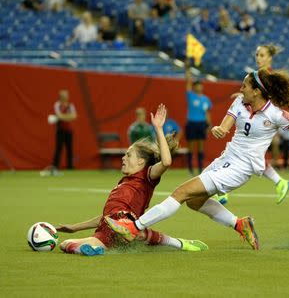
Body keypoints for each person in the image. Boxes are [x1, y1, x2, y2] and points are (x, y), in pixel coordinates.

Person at [105, 68, 289, 251]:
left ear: (257, 91)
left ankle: (134, 227)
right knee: (193, 202)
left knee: (180, 192)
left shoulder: (277, 115)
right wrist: (219, 129)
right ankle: (241, 224)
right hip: (225, 158)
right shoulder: (240, 101)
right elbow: (226, 125)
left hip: (241, 168)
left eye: (245, 86)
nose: (242, 89)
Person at [56, 104, 208, 256]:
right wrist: (74, 227)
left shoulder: (146, 176)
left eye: (128, 155)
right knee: (65, 244)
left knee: (132, 230)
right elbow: (106, 219)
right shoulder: (122, 184)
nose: (123, 157)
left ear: (141, 161)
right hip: (107, 231)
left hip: (128, 226)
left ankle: (180, 243)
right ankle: (96, 249)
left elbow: (166, 162)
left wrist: (159, 129)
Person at [217, 44, 289, 205]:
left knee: (246, 155)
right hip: (259, 119)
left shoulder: (268, 76)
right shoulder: (258, 75)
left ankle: (223, 190)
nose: (259, 58)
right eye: (257, 54)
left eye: (262, 55)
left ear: (270, 58)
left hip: (265, 121)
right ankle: (280, 182)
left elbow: (268, 99)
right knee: (253, 157)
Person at [184, 64, 212, 175]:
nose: (199, 87)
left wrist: (209, 125)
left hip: (202, 124)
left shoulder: (206, 99)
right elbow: (188, 83)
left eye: (200, 85)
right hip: (191, 123)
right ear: (194, 87)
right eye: (197, 86)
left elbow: (207, 113)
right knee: (190, 147)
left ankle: (200, 168)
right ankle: (190, 169)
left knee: (200, 147)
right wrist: (188, 70)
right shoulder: (191, 95)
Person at [52, 90, 76, 171]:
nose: (65, 97)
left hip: (69, 130)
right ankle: (55, 166)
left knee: (70, 149)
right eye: (63, 95)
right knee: (58, 148)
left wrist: (63, 117)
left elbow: (74, 116)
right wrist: (68, 117)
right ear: (60, 96)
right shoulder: (57, 105)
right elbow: (58, 115)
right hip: (60, 130)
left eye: (66, 95)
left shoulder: (70, 105)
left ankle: (70, 166)